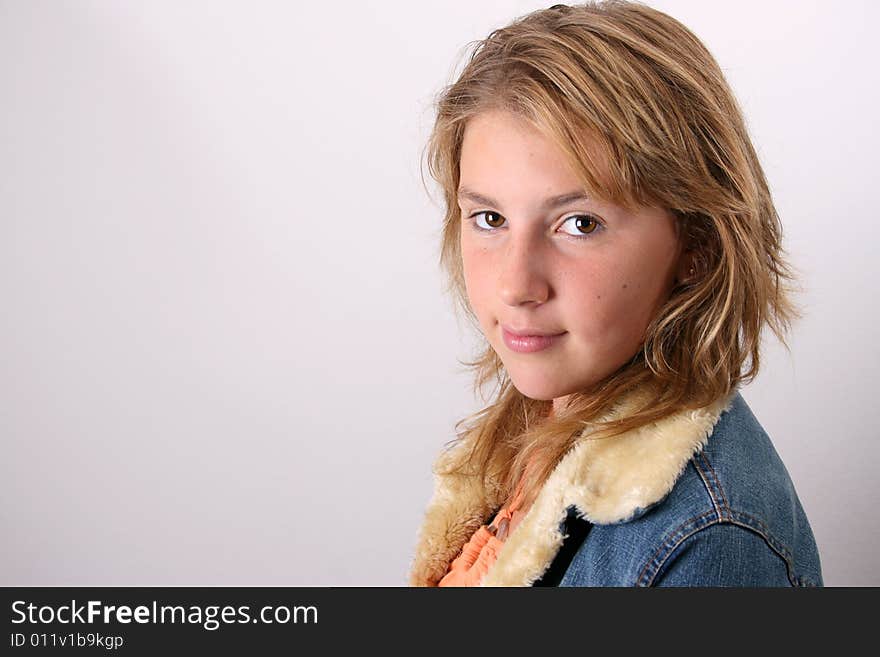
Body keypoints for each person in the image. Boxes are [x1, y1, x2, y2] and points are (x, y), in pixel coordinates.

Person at [408, 1, 823, 587]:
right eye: (490, 218)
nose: (515, 284)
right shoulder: (527, 439)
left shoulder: (709, 543)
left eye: (580, 224)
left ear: (695, 244)